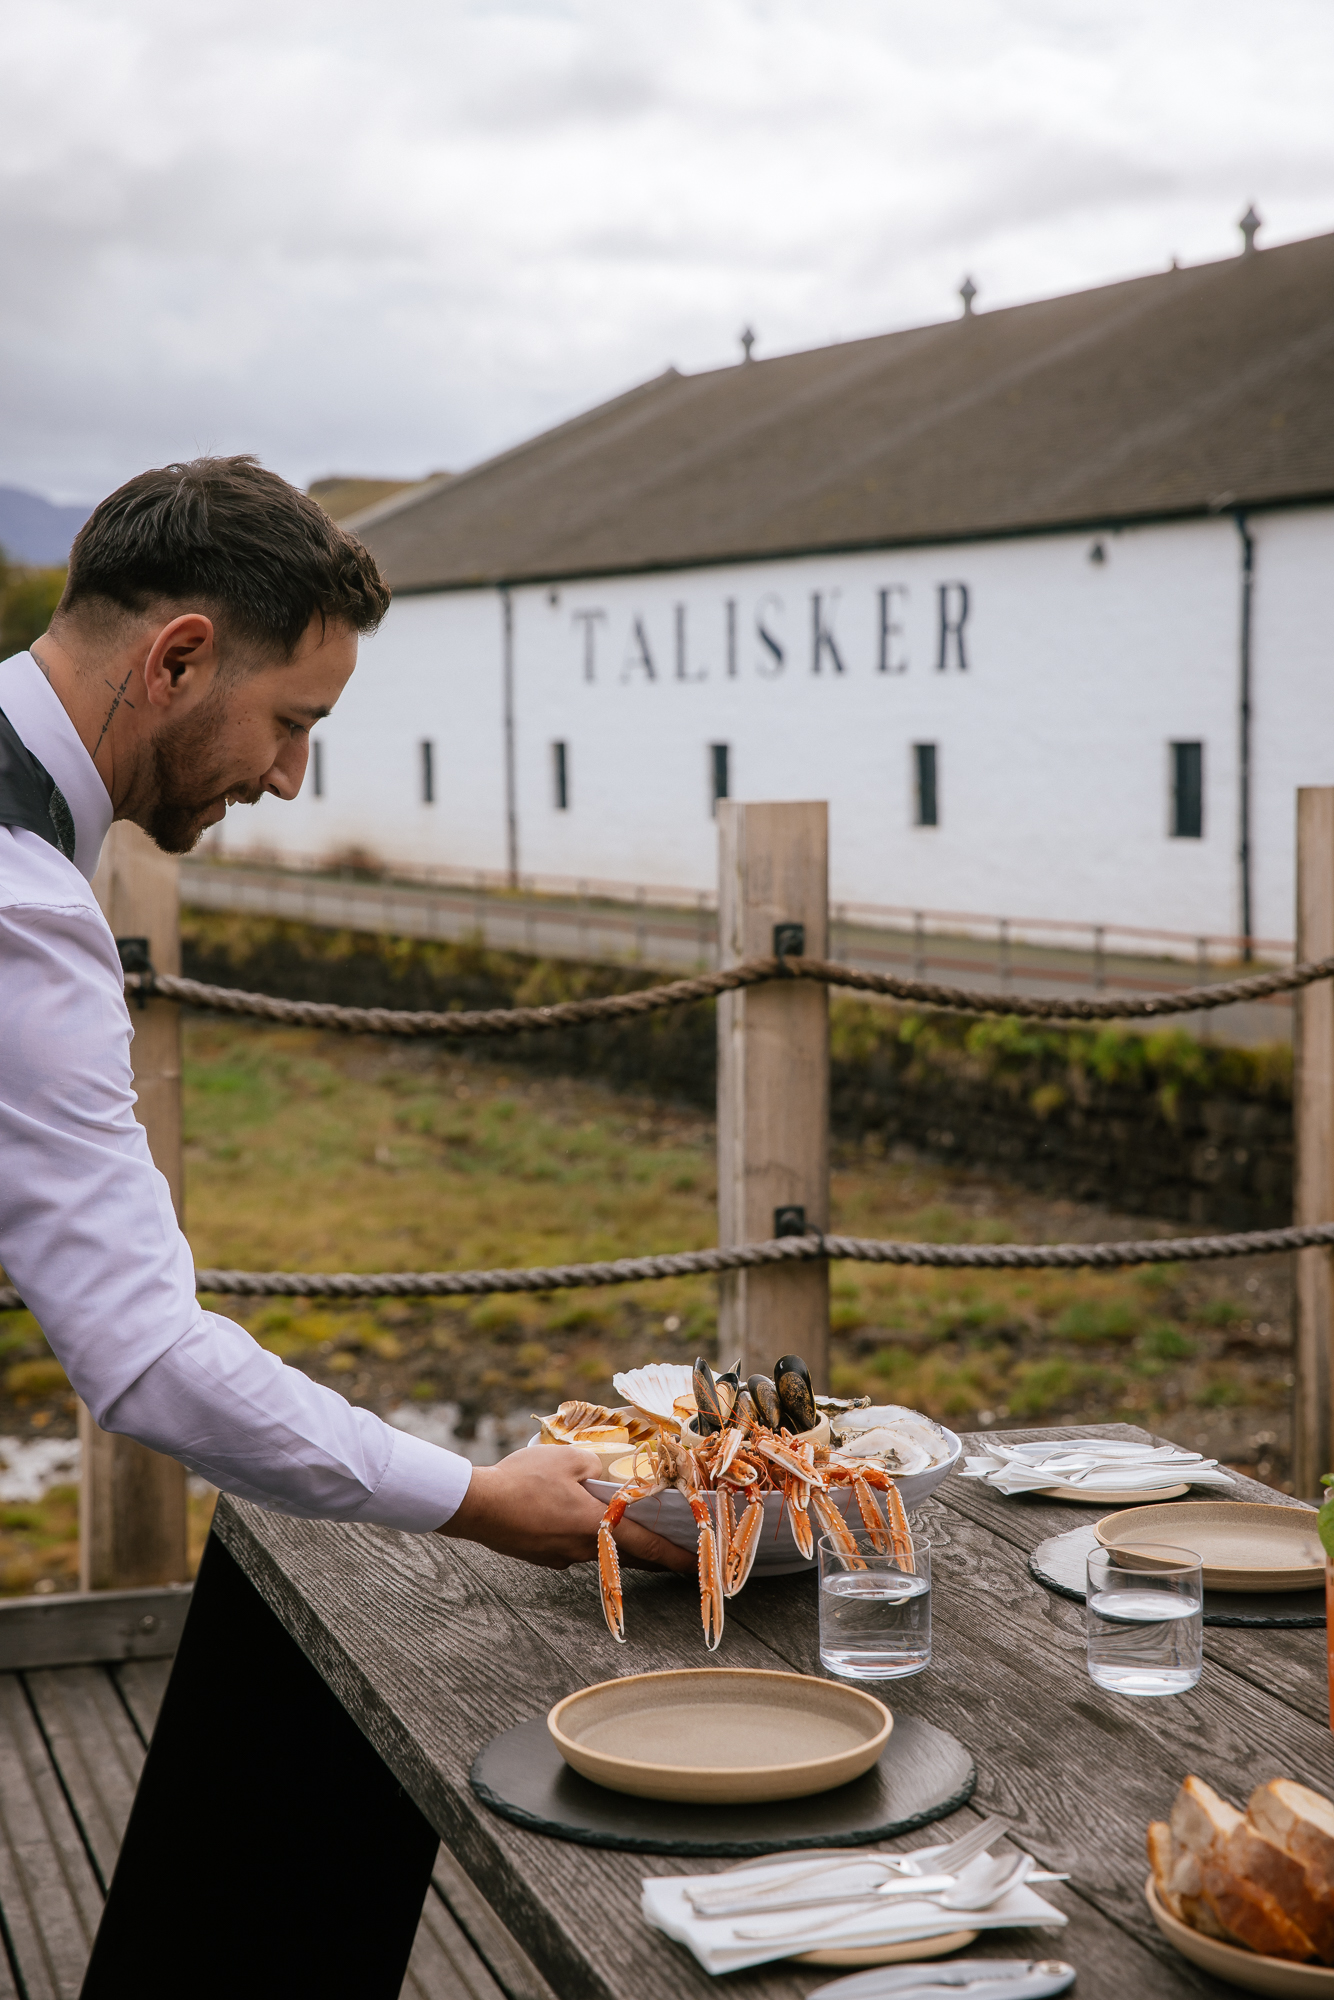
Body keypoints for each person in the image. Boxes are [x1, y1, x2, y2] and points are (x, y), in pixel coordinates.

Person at [0, 454, 690, 1582]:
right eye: (289, 719)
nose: (289, 777)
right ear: (178, 657)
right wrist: (478, 1495)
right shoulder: (22, 907)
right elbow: (147, 1352)